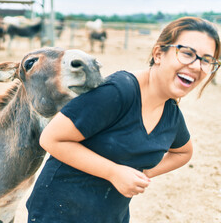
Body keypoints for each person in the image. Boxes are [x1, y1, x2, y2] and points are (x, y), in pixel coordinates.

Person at [26, 16, 221, 223]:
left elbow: (183, 152)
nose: (196, 66)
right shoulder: (119, 91)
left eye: (207, 60)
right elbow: (51, 139)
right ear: (158, 54)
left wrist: (139, 174)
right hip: (57, 212)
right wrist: (114, 172)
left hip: (110, 216)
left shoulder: (171, 113)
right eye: (187, 53)